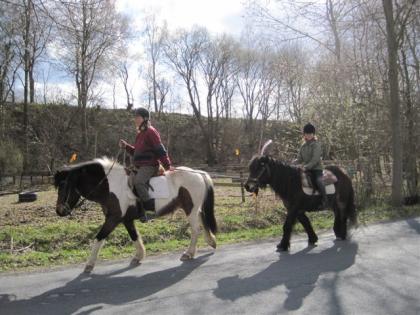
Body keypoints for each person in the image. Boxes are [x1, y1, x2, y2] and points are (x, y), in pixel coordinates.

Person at [119, 107, 173, 220]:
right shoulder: (140, 134)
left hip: (150, 165)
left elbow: (159, 149)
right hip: (139, 165)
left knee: (139, 182)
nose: (135, 119)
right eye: (135, 117)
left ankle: (151, 208)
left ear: (145, 118)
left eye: (137, 117)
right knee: (129, 181)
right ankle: (139, 211)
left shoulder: (151, 132)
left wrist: (167, 165)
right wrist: (127, 147)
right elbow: (136, 152)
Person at [295, 123, 328, 209]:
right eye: (307, 133)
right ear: (304, 134)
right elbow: (299, 159)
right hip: (306, 170)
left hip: (316, 169)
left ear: (313, 134)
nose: (309, 135)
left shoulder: (316, 145)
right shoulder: (303, 146)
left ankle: (325, 201)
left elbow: (315, 159)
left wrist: (306, 167)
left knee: (319, 181)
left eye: (310, 134)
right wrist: (292, 163)